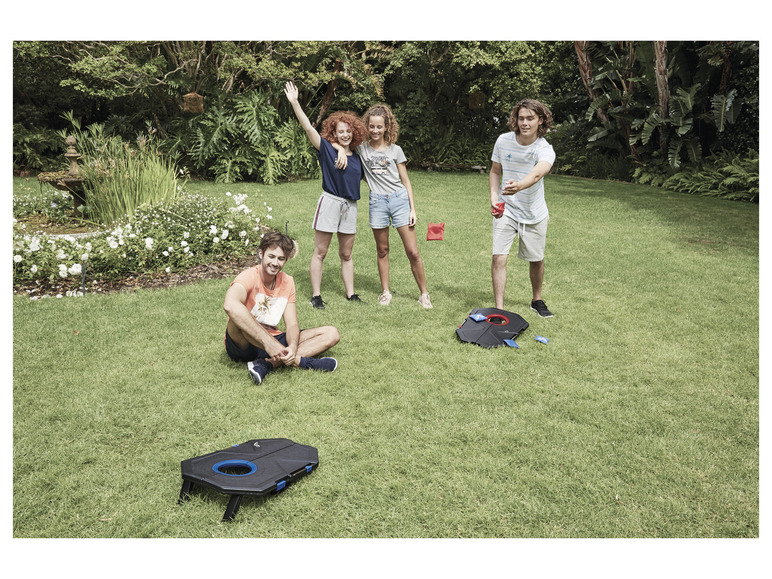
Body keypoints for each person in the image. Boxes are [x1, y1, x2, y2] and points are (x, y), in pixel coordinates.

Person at [335, 103, 432, 309]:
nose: (375, 130)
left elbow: (406, 181)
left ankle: (424, 294)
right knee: (382, 250)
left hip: (399, 201)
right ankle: (386, 292)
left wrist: (413, 209)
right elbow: (336, 141)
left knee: (413, 252)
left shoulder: (396, 150)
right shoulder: (362, 148)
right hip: (377, 202)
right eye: (371, 126)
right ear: (367, 126)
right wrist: (340, 150)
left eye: (379, 127)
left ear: (387, 126)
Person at [284, 80, 368, 310]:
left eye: (348, 131)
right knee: (320, 252)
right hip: (330, 202)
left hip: (350, 207)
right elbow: (308, 129)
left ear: (354, 132)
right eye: (340, 132)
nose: (345, 135)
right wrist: (295, 103)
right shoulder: (327, 149)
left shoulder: (358, 157)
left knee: (346, 254)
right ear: (334, 133)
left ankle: (351, 294)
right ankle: (316, 296)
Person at [223, 231, 341, 385]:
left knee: (331, 333)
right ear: (261, 254)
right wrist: (270, 344)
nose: (275, 263)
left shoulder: (287, 281)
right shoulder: (249, 276)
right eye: (271, 256)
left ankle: (268, 364)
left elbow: (292, 324)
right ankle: (304, 362)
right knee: (236, 317)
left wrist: (292, 346)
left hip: (273, 338)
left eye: (281, 259)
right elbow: (229, 305)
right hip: (244, 343)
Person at [489, 98, 556, 318]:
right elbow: (495, 171)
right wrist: (494, 197)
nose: (525, 123)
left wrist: (519, 186)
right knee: (498, 257)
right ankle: (499, 309)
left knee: (536, 259)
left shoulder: (544, 148)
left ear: (541, 120)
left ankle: (537, 299)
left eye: (530, 118)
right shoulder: (503, 141)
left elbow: (537, 173)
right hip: (507, 209)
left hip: (533, 212)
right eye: (521, 118)